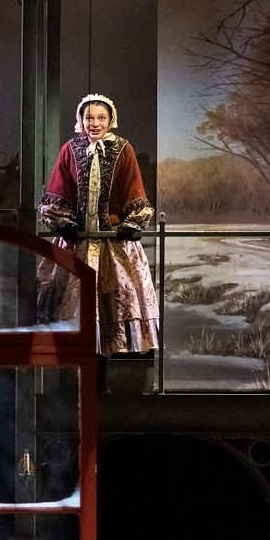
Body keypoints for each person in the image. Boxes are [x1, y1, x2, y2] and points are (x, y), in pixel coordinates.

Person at [37, 92, 158, 354]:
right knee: (73, 300)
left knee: (115, 301)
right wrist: (63, 220)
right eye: (89, 117)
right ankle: (75, 368)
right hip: (78, 241)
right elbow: (59, 190)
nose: (95, 123)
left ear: (110, 120)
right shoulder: (69, 149)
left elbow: (133, 189)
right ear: (80, 120)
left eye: (101, 117)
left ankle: (108, 371)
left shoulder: (124, 149)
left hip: (112, 243)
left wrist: (131, 223)